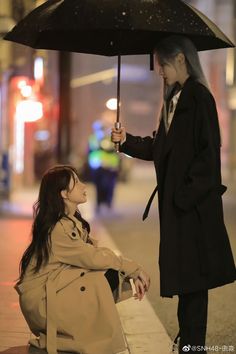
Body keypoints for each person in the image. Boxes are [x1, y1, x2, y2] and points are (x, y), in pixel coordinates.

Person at [112, 35, 236, 353]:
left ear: (180, 59)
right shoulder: (173, 100)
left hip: (192, 209)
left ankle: (193, 346)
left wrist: (182, 196)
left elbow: (208, 158)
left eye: (162, 66)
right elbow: (159, 148)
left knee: (194, 282)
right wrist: (125, 140)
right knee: (185, 281)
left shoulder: (200, 98)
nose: (160, 74)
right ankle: (188, 342)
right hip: (179, 210)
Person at [15, 165, 150, 354]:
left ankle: (82, 337)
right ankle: (76, 341)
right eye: (76, 182)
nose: (84, 185)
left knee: (104, 275)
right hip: (42, 302)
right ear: (63, 193)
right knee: (100, 280)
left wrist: (126, 268)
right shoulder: (59, 228)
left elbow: (91, 254)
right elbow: (92, 257)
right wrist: (132, 268)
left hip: (52, 290)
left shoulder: (68, 220)